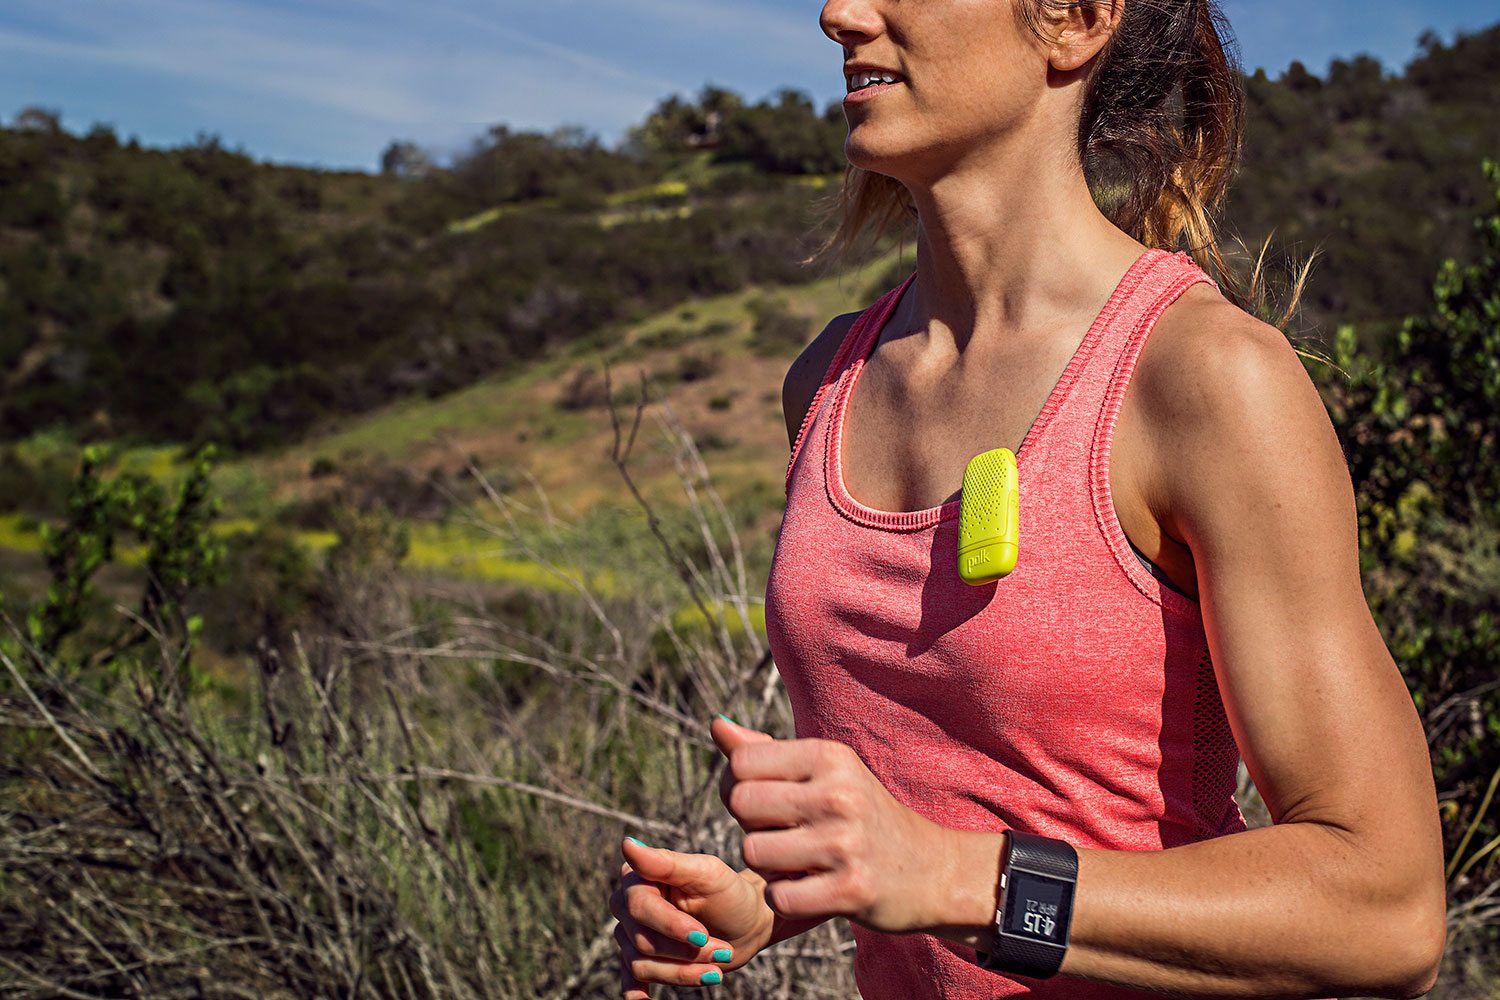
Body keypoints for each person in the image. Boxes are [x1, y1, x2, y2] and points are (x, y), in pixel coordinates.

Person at [608, 0, 1447, 997]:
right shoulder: (829, 381)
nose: (838, 13)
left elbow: (1386, 909)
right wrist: (769, 898)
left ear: (1075, 20)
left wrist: (959, 879)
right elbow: (930, 797)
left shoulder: (1203, 380)